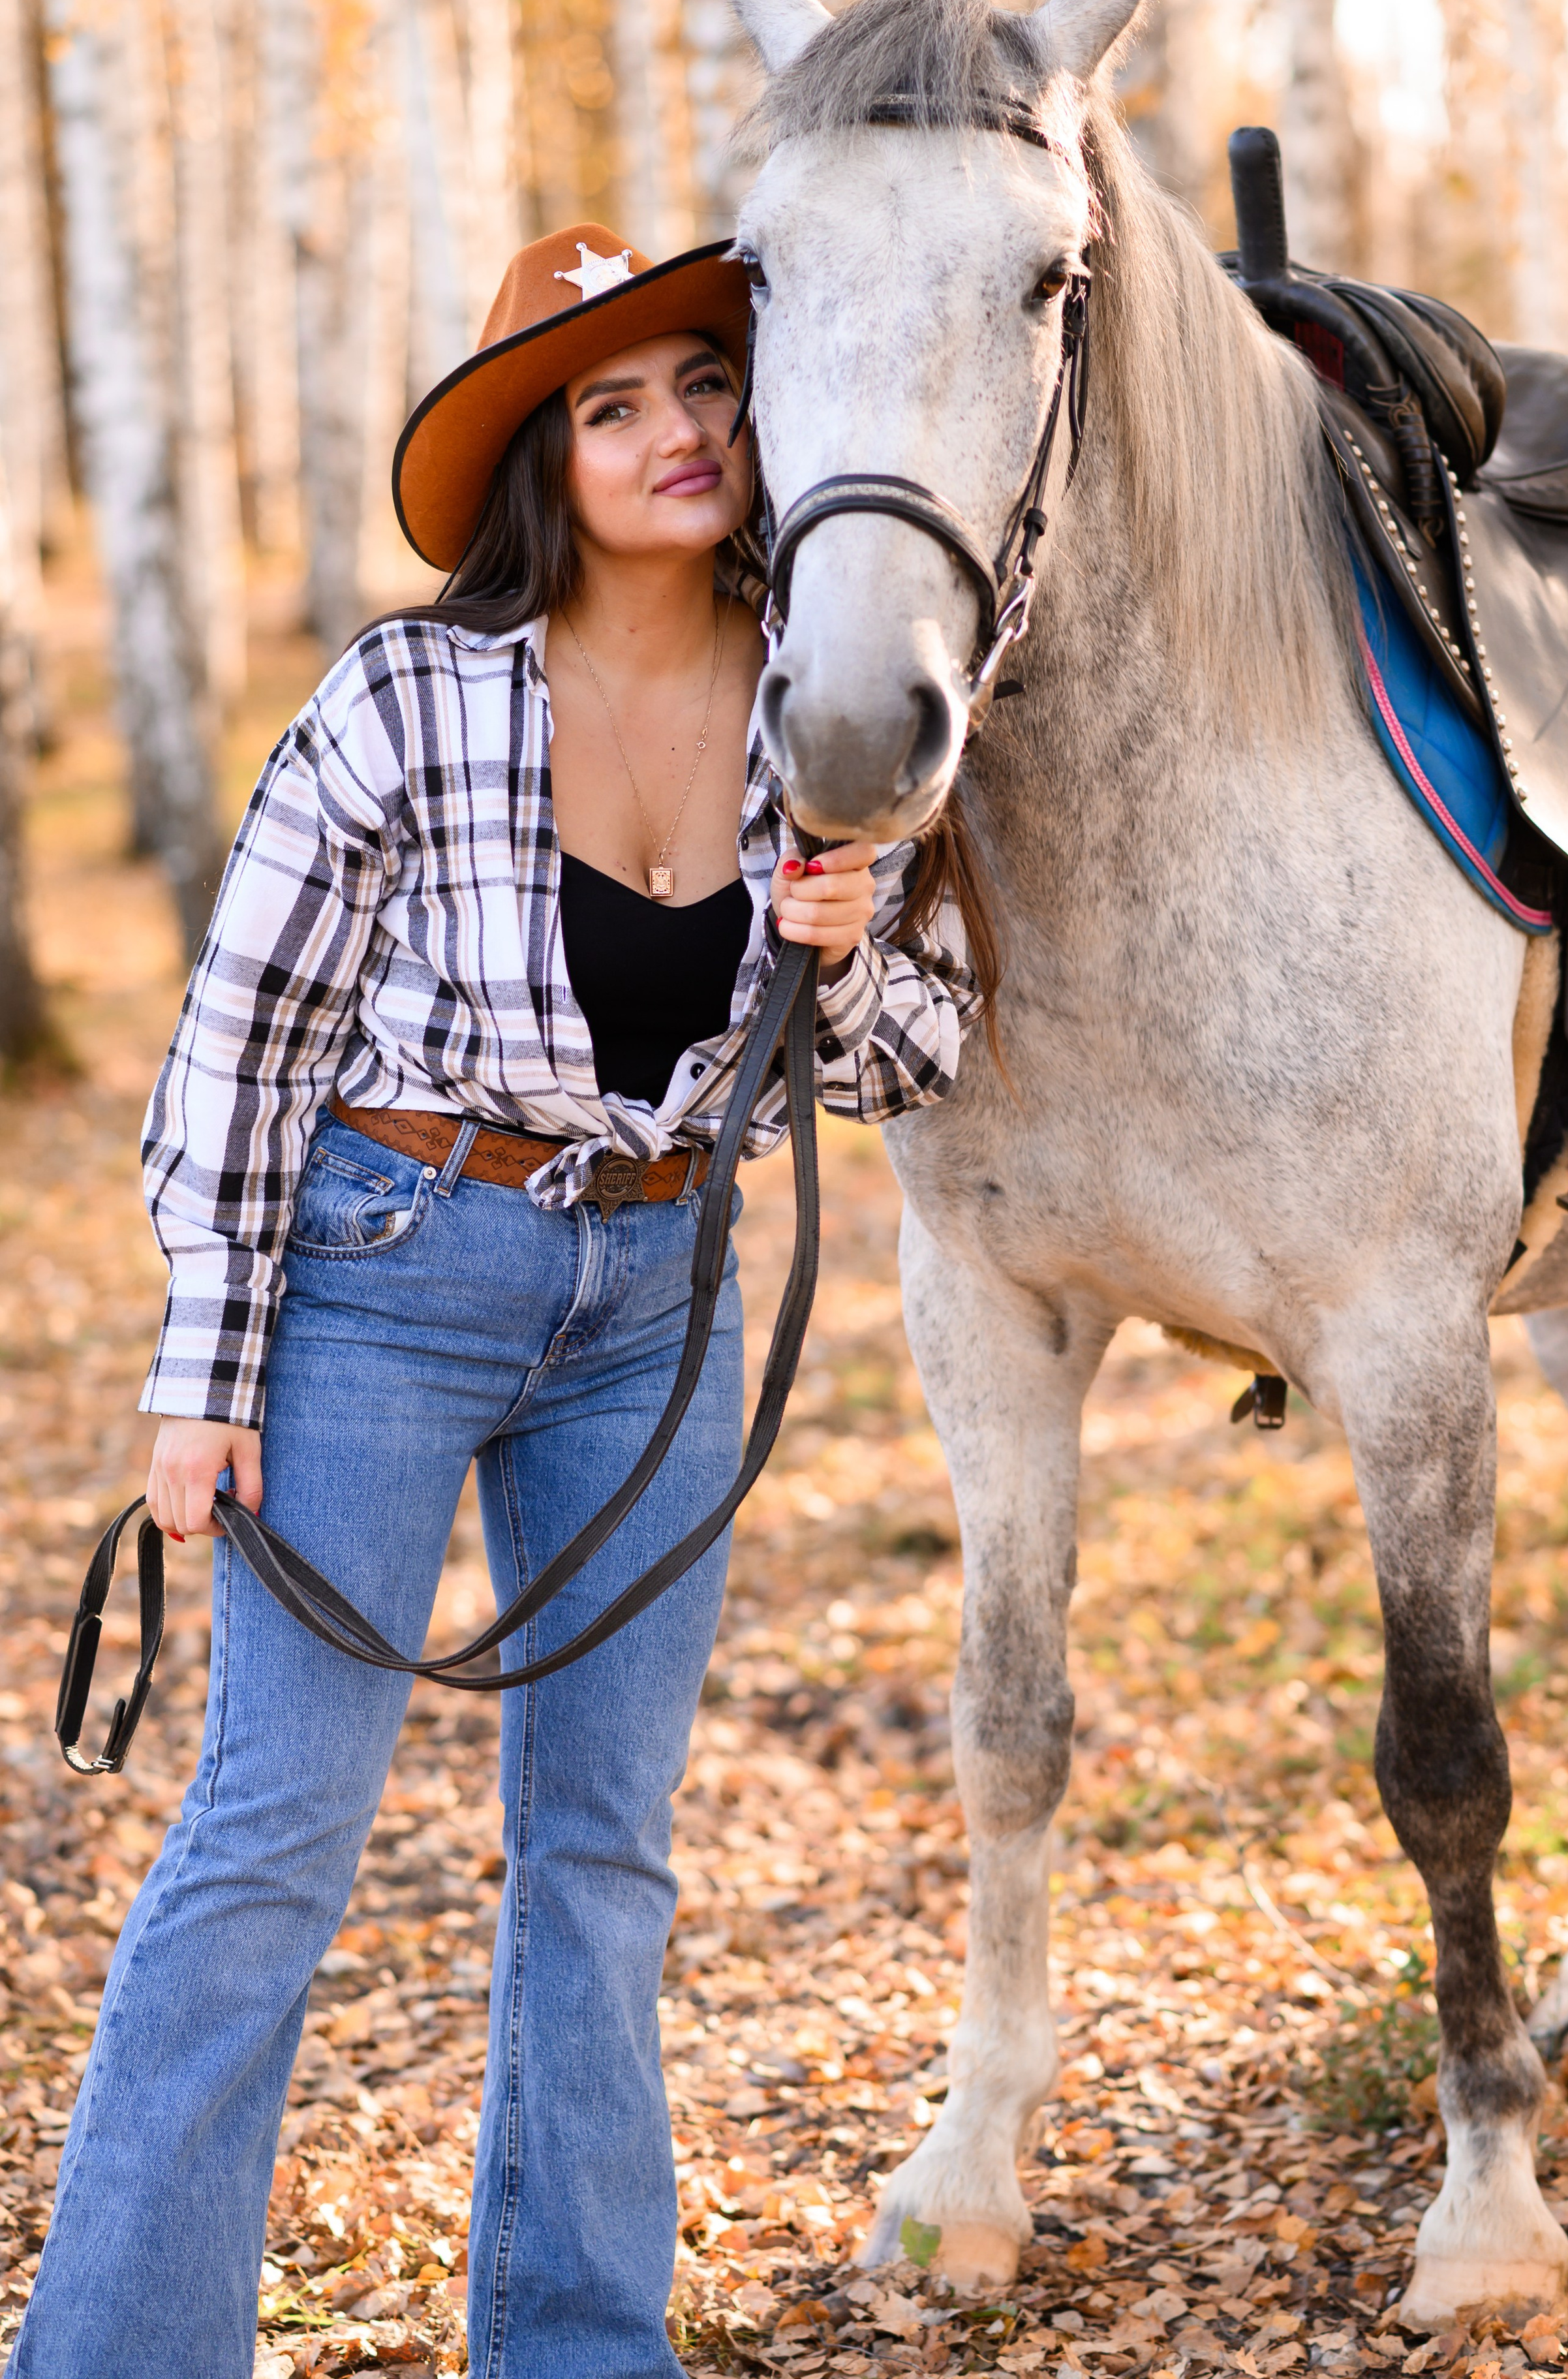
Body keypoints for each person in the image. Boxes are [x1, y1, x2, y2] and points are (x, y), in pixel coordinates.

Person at [9, 225, 986, 2379]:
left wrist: (844, 937)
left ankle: (575, 2345)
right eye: (613, 402)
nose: (678, 434)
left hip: (660, 1289)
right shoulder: (405, 696)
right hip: (385, 1268)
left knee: (605, 1852)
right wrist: (203, 1375)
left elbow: (917, 1057)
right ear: (548, 454)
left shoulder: (826, 699)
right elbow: (239, 1047)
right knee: (274, 1830)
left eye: (703, 388)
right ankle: (116, 2355)